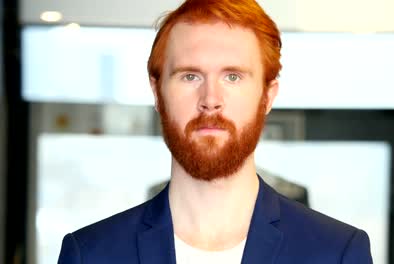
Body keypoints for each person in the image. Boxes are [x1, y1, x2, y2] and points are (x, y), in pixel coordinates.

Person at [58, 0, 373, 263]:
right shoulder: (90, 253)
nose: (210, 100)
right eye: (190, 76)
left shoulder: (337, 253)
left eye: (233, 77)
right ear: (157, 92)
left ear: (268, 95)